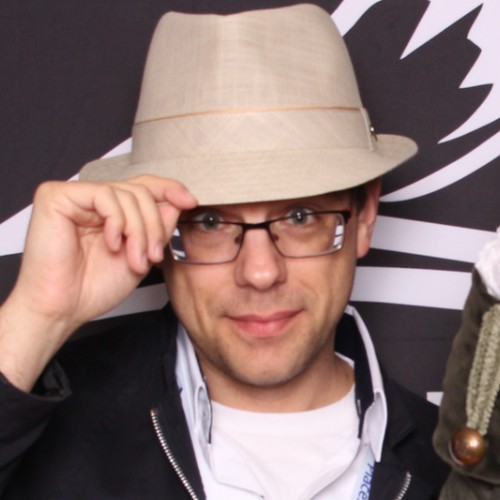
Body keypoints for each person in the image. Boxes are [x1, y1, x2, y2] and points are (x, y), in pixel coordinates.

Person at [0, 4, 449, 499]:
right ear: (158, 231)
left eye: (301, 217)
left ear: (363, 217)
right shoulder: (50, 432)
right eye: (210, 222)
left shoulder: (454, 472)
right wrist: (36, 317)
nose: (260, 272)